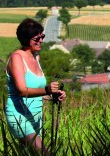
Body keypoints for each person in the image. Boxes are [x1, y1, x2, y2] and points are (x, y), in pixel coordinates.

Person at [5, 18, 66, 151]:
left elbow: (37, 93)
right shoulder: (17, 58)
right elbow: (22, 90)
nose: (41, 40)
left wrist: (53, 96)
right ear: (26, 39)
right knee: (44, 153)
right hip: (19, 115)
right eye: (37, 38)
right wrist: (47, 90)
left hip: (35, 116)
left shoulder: (36, 56)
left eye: (42, 36)